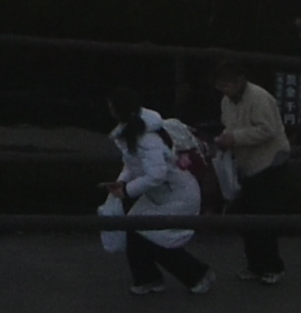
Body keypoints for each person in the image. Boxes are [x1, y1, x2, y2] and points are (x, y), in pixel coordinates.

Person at [101, 116, 213, 296]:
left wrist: (127, 190)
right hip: (164, 194)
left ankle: (196, 274)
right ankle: (148, 278)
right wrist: (121, 183)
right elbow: (131, 167)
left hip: (178, 196)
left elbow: (155, 176)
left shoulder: (153, 148)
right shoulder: (143, 147)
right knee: (138, 230)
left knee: (152, 238)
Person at [214, 67, 290, 282]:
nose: (225, 89)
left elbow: (268, 130)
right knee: (248, 216)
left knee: (264, 216)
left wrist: (235, 138)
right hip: (247, 164)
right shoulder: (226, 102)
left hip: (270, 161)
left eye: (227, 84)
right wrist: (226, 139)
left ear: (240, 80)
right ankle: (255, 265)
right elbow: (229, 127)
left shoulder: (259, 97)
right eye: (221, 85)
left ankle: (273, 266)